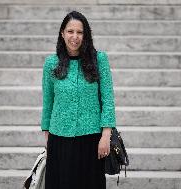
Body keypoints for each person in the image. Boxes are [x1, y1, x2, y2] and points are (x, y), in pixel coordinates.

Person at [41, 11, 116, 189]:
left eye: (80, 32)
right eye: (70, 31)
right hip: (59, 139)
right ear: (62, 33)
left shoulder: (99, 60)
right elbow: (48, 101)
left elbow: (108, 99)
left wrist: (106, 134)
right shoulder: (51, 63)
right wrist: (46, 134)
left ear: (86, 35)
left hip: (91, 139)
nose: (75, 37)